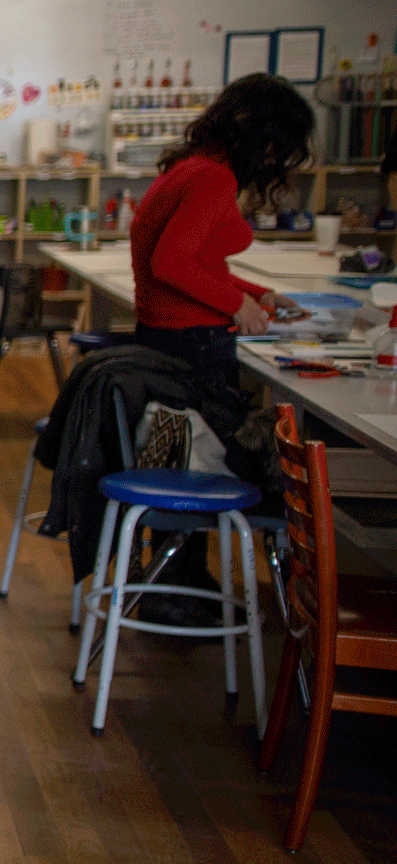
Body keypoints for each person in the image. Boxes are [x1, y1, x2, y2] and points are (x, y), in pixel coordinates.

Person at [129, 72, 315, 626]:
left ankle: (174, 581)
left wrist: (257, 294)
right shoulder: (211, 178)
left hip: (169, 336)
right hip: (192, 344)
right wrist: (236, 307)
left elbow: (196, 261)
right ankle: (177, 589)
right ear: (264, 137)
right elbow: (172, 264)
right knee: (197, 463)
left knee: (179, 455)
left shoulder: (191, 168)